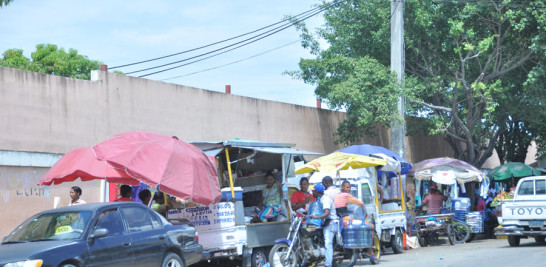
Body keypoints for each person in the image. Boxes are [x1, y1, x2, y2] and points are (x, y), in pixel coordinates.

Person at [310, 183, 338, 267]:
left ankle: (328, 264)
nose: (312, 193)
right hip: (326, 222)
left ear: (317, 192)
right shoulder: (320, 199)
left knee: (327, 243)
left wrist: (317, 217)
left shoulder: (325, 199)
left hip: (331, 223)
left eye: (313, 191)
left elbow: (326, 213)